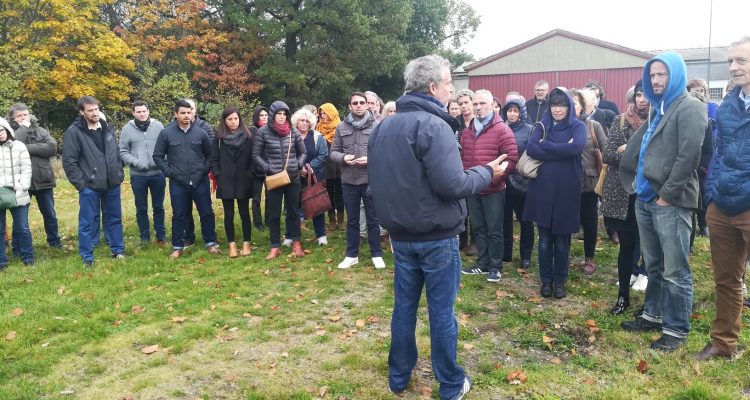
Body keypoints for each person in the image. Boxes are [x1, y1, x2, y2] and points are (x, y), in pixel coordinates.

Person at [369, 54, 508, 400]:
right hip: (436, 239)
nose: (452, 89)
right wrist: (488, 171)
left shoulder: (383, 127)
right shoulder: (435, 126)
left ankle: (398, 376)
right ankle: (450, 383)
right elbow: (454, 185)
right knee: (441, 312)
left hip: (402, 236)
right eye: (449, 83)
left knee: (404, 308)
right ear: (432, 87)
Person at [619, 52, 706, 352]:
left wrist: (667, 195)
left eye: (662, 75)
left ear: (676, 75)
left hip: (670, 201)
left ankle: (677, 329)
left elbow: (688, 157)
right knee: (653, 264)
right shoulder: (658, 107)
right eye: (652, 75)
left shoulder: (690, 107)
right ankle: (652, 315)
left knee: (675, 269)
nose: (655, 80)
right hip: (645, 199)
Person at [698, 36, 750, 360]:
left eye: (741, 61)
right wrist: (711, 196)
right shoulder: (730, 104)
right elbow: (717, 153)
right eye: (730, 61)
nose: (733, 67)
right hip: (723, 203)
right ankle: (723, 343)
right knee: (727, 279)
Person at [523, 88, 586, 299]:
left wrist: (548, 146)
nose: (557, 109)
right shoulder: (542, 125)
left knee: (561, 240)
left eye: (562, 105)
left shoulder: (578, 126)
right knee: (544, 239)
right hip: (543, 189)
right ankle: (546, 280)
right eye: (554, 105)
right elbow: (531, 148)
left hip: (567, 189)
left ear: (569, 106)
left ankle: (560, 280)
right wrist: (560, 149)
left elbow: (576, 148)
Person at [601, 81, 650, 314]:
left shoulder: (660, 121)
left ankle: (651, 301)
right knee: (627, 247)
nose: (641, 99)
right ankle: (623, 297)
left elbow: (658, 158)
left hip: (648, 193)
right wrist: (635, 153)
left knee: (651, 249)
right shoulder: (621, 120)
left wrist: (626, 149)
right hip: (623, 195)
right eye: (638, 94)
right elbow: (608, 154)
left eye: (646, 95)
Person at [459, 89, 518, 282]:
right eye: (475, 104)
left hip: (493, 189)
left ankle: (495, 266)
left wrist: (495, 178)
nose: (478, 107)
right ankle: (482, 263)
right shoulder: (467, 132)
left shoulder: (502, 129)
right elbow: (462, 158)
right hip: (473, 188)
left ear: (492, 105)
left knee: (494, 229)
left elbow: (511, 159)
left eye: (482, 103)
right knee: (478, 228)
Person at [62, 96, 125, 267]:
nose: (94, 113)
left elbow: (116, 153)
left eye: (96, 109)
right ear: (82, 112)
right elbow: (69, 162)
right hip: (90, 186)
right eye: (90, 110)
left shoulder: (107, 128)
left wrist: (119, 174)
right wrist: (81, 185)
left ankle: (118, 250)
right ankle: (87, 257)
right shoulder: (74, 132)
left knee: (115, 219)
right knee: (87, 222)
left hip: (112, 184)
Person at [153, 99, 220, 259]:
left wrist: (203, 170)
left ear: (193, 113)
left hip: (200, 180)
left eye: (189, 112)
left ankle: (210, 242)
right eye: (182, 113)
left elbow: (210, 155)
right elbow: (158, 156)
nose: (186, 116)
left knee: (206, 212)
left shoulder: (201, 133)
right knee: (179, 214)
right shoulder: (166, 133)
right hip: (178, 182)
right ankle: (178, 246)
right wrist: (171, 172)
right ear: (175, 114)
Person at [330, 92, 385, 270]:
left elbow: (383, 151)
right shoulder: (341, 127)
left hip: (370, 179)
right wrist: (344, 158)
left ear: (367, 105)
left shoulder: (377, 126)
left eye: (362, 102)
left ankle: (376, 254)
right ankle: (351, 255)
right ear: (350, 106)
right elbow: (333, 152)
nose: (359, 105)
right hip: (349, 180)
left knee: (373, 219)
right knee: (352, 220)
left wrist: (370, 159)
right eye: (355, 103)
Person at [252, 101, 307, 260]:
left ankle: (297, 244)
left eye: (285, 114)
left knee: (293, 212)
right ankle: (275, 246)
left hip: (293, 178)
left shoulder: (293, 132)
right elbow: (256, 155)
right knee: (274, 214)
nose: (282, 117)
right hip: (274, 179)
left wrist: (298, 164)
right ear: (273, 115)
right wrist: (267, 168)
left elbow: (303, 152)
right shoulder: (263, 132)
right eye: (279, 114)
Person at [7, 103, 60, 249]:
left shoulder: (41, 131)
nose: (24, 118)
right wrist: (23, 129)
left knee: (50, 214)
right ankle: (17, 247)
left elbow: (52, 148)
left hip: (43, 179)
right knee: (20, 218)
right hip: (21, 182)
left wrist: (25, 148)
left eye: (25, 114)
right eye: (19, 116)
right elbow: (12, 146)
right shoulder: (9, 132)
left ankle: (55, 243)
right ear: (13, 118)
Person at [119, 100, 166, 247]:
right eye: (138, 112)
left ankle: (161, 236)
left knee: (158, 207)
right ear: (133, 113)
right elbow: (123, 151)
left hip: (158, 173)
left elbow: (166, 146)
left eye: (144, 111)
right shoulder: (127, 129)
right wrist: (136, 162)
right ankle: (145, 237)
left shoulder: (158, 126)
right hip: (138, 175)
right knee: (141, 207)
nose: (142, 114)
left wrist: (163, 162)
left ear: (148, 111)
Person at [209, 107, 255, 258]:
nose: (233, 122)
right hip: (226, 180)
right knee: (228, 214)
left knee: (244, 213)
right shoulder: (219, 138)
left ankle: (246, 244)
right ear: (225, 121)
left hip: (244, 179)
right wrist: (218, 174)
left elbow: (253, 157)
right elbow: (213, 159)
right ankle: (232, 246)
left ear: (239, 119)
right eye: (230, 119)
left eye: (236, 118)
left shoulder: (248, 136)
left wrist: (249, 174)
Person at [571, 88, 607, 275]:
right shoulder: (560, 126)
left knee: (589, 221)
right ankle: (563, 255)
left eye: (575, 103)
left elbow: (606, 150)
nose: (570, 106)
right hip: (566, 182)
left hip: (588, 182)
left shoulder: (593, 126)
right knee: (566, 219)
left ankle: (589, 258)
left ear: (582, 106)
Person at [501, 97, 534, 269]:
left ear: (521, 113)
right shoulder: (501, 128)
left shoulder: (530, 130)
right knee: (505, 219)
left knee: (525, 220)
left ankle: (525, 255)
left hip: (523, 181)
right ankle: (506, 252)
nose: (512, 114)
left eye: (515, 111)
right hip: (504, 179)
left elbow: (532, 153)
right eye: (509, 110)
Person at [287, 108, 328, 245]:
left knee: (317, 206)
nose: (304, 123)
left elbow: (323, 155)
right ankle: (289, 236)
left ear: (311, 122)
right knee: (291, 207)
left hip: (313, 177)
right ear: (296, 122)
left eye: (306, 121)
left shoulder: (317, 137)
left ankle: (321, 235)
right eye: (301, 120)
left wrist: (308, 168)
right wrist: (297, 168)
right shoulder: (289, 136)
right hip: (293, 177)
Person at [0, 118, 34, 270]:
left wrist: (22, 185)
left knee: (22, 227)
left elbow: (26, 168)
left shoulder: (19, 146)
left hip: (17, 192)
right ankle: (2, 261)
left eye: (2, 130)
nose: (0, 134)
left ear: (7, 130)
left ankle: (28, 258)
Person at [317, 103, 344, 232]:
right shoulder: (318, 128)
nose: (323, 116)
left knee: (339, 192)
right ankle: (332, 220)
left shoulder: (340, 127)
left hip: (339, 165)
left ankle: (341, 220)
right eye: (321, 113)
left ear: (331, 113)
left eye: (325, 113)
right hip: (325, 166)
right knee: (328, 193)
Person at [250, 106, 269, 231]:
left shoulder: (271, 130)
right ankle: (258, 223)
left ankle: (269, 220)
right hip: (256, 170)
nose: (264, 117)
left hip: (270, 169)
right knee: (256, 198)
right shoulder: (251, 130)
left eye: (266, 115)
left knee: (270, 196)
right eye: (261, 115)